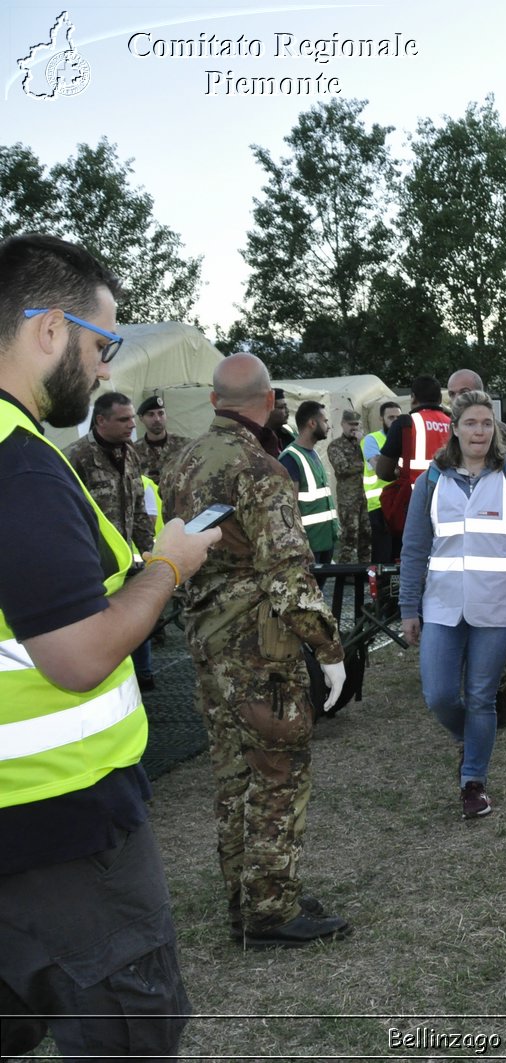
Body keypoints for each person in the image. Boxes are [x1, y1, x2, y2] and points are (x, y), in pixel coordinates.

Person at [0, 232, 219, 1058]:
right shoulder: (19, 466)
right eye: (103, 342)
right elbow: (79, 654)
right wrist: (167, 562)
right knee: (133, 1033)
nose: (104, 370)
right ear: (48, 330)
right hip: (63, 825)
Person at [163, 353, 352, 948]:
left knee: (233, 779)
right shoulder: (260, 468)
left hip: (207, 647)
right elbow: (289, 579)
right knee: (276, 776)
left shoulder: (182, 462)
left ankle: (251, 896)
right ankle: (271, 911)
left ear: (216, 401)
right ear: (268, 401)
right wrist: (329, 649)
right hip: (259, 653)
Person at [399, 390, 506, 819]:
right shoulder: (431, 480)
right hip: (442, 605)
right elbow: (413, 547)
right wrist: (409, 608)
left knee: (481, 697)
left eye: (486, 423)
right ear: (454, 428)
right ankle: (474, 740)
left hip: (498, 607)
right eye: (470, 423)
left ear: (495, 429)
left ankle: (473, 781)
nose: (479, 431)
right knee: (439, 694)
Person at [66, 390, 159, 691]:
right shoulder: (76, 457)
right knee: (100, 624)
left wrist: (150, 553)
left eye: (133, 417)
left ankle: (143, 674)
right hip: (91, 561)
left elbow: (139, 508)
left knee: (133, 619)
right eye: (124, 419)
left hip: (126, 558)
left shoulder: (130, 453)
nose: (132, 424)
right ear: (101, 421)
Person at [374, 376, 451, 544]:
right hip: (450, 503)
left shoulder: (406, 422)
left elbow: (383, 472)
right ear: (439, 399)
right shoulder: (453, 423)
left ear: (413, 397)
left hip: (415, 504)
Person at [279, 400, 339, 564]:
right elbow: (289, 508)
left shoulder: (313, 454)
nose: (328, 426)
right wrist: (301, 545)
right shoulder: (291, 458)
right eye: (325, 421)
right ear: (312, 423)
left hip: (324, 540)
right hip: (309, 545)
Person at [327, 408, 371, 564]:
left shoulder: (365, 443)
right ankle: (346, 571)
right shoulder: (335, 446)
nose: (354, 428)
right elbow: (342, 468)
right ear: (342, 424)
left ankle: (366, 568)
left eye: (356, 424)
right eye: (350, 424)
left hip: (366, 496)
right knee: (350, 535)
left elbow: (376, 462)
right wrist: (366, 462)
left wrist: (363, 445)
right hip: (348, 498)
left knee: (367, 533)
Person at [363, 401, 400, 563]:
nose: (395, 421)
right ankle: (380, 587)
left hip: (399, 502)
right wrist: (399, 471)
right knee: (383, 555)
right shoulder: (372, 439)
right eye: (391, 417)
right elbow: (379, 468)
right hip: (379, 504)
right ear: (381, 419)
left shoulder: (406, 439)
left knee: (399, 553)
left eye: (398, 417)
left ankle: (397, 588)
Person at [130, 393, 189, 492]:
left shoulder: (185, 445)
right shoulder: (133, 451)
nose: (157, 419)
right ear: (141, 418)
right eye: (151, 414)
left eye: (161, 413)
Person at [266, 387, 293, 453]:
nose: (287, 411)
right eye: (282, 407)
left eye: (286, 407)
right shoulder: (259, 438)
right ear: (270, 410)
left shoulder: (288, 435)